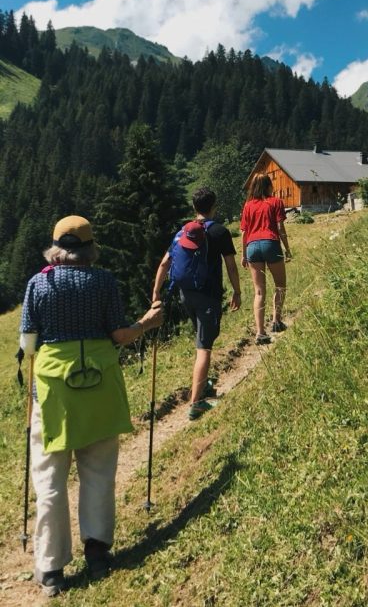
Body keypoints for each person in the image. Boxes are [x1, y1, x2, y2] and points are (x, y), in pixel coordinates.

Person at [19, 215, 163, 597]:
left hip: (54, 393)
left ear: (55, 247)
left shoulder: (39, 284)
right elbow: (119, 334)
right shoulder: (103, 282)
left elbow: (28, 346)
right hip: (99, 384)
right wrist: (147, 323)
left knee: (50, 478)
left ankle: (51, 568)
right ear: (89, 246)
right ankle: (97, 551)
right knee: (98, 471)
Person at [152, 188, 241, 421]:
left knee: (203, 338)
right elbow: (231, 266)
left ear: (194, 207)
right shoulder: (220, 231)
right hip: (208, 296)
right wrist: (237, 291)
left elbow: (164, 263)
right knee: (204, 347)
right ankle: (196, 403)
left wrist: (156, 293)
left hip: (185, 295)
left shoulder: (183, 232)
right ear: (214, 206)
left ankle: (204, 386)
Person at [240, 173, 292, 345]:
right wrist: (287, 249)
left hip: (252, 247)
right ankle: (277, 321)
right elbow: (280, 228)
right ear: (269, 185)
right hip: (271, 243)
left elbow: (245, 233)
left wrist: (243, 254)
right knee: (280, 285)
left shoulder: (248, 206)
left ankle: (260, 333)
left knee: (259, 291)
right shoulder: (276, 202)